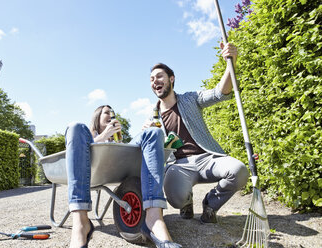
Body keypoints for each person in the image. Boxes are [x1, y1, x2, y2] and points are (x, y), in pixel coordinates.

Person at [144, 43, 250, 223]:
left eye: (159, 76)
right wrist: (149, 136)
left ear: (171, 78)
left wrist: (230, 62)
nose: (155, 81)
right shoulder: (152, 118)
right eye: (152, 79)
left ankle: (210, 204)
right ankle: (186, 202)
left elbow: (220, 93)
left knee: (238, 170)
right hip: (179, 165)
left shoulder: (190, 99)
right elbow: (155, 154)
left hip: (208, 158)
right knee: (175, 199)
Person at [65, 105, 181, 248]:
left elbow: (126, 153)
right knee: (75, 127)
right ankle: (81, 222)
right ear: (97, 118)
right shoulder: (87, 136)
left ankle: (154, 219)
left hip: (117, 168)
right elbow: (78, 153)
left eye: (112, 112)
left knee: (154, 132)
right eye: (106, 112)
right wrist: (103, 137)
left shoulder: (116, 136)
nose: (111, 115)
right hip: (93, 171)